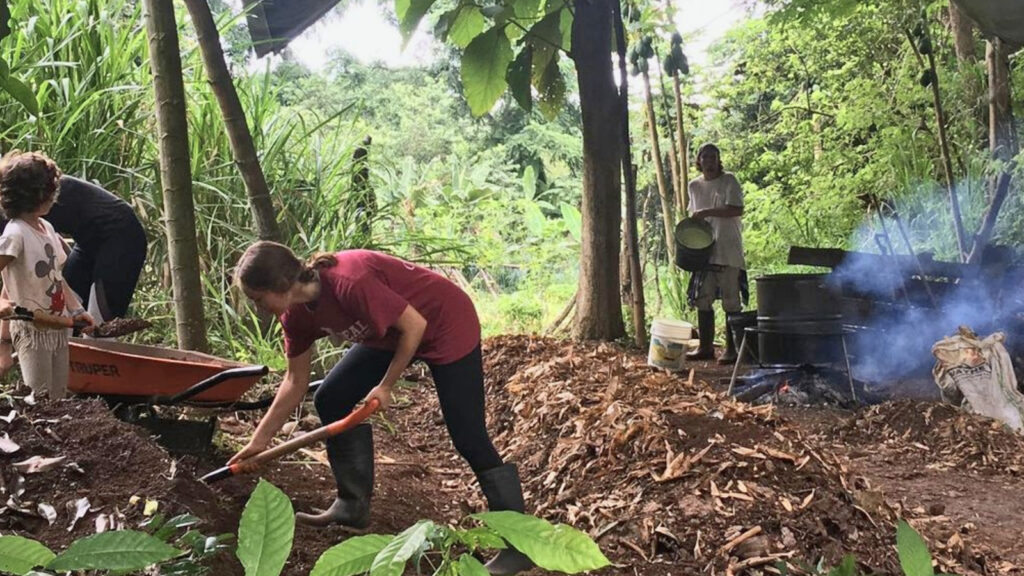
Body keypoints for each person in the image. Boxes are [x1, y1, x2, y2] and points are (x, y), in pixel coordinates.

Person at [229, 241, 533, 575]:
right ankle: (351, 505)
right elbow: (294, 381)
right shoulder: (295, 315)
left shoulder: (349, 281)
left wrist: (386, 385)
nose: (258, 308)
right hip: (390, 334)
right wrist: (259, 441)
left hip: (444, 323)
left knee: (469, 437)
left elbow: (415, 325)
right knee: (330, 398)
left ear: (280, 284)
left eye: (258, 299)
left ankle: (518, 547)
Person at [0, 173, 147, 377]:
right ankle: (71, 387)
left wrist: (4, 347)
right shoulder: (16, 190)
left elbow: (10, 282)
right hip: (88, 242)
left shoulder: (12, 203)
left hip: (121, 236)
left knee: (98, 328)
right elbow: (52, 245)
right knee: (64, 313)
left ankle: (105, 394)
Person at [0, 151, 94, 398]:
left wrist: (76, 310)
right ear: (36, 194)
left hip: (57, 327)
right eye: (52, 189)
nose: (55, 196)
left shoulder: (48, 228)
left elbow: (56, 278)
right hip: (31, 330)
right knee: (39, 398)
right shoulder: (15, 234)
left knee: (57, 396)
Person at [686, 143, 746, 364]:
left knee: (731, 300)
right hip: (704, 251)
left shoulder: (728, 180)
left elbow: (737, 209)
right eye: (705, 157)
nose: (709, 161)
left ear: (718, 160)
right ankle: (705, 347)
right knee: (703, 298)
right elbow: (693, 217)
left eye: (713, 157)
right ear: (699, 161)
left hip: (728, 248)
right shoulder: (694, 186)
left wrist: (707, 212)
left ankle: (732, 350)